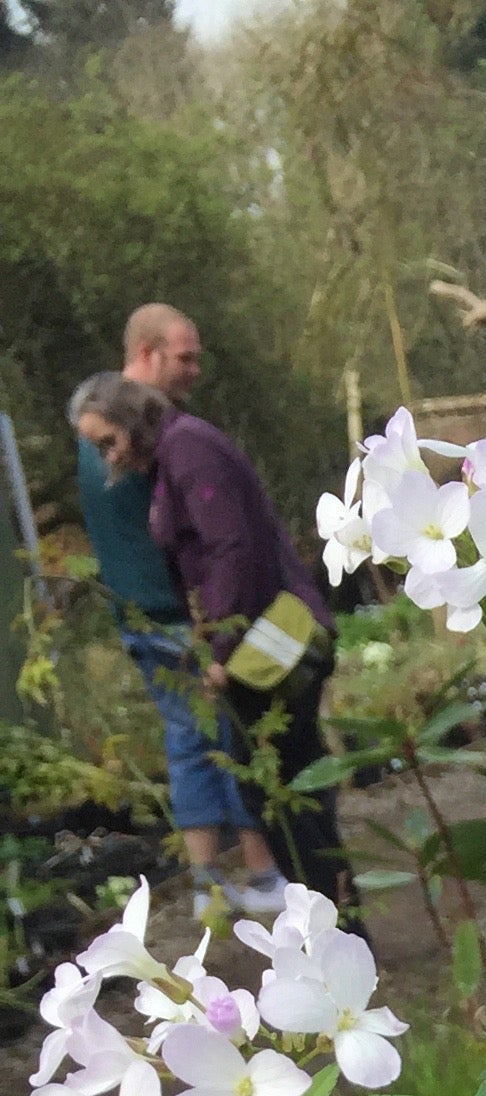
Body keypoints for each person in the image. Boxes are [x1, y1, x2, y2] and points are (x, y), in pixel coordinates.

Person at [68, 367, 356, 919]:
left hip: (267, 649)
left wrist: (220, 651)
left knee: (285, 796)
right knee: (274, 792)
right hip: (254, 644)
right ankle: (325, 924)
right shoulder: (175, 456)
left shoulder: (189, 451)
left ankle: (337, 925)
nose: (109, 458)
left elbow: (231, 552)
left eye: (109, 442)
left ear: (131, 422)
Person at [76, 305, 276, 918]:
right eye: (183, 357)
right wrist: (209, 622)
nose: (194, 369)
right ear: (146, 353)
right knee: (226, 736)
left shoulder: (99, 425)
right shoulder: (137, 433)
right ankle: (265, 878)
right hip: (173, 618)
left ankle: (207, 885)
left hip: (143, 617)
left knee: (189, 741)